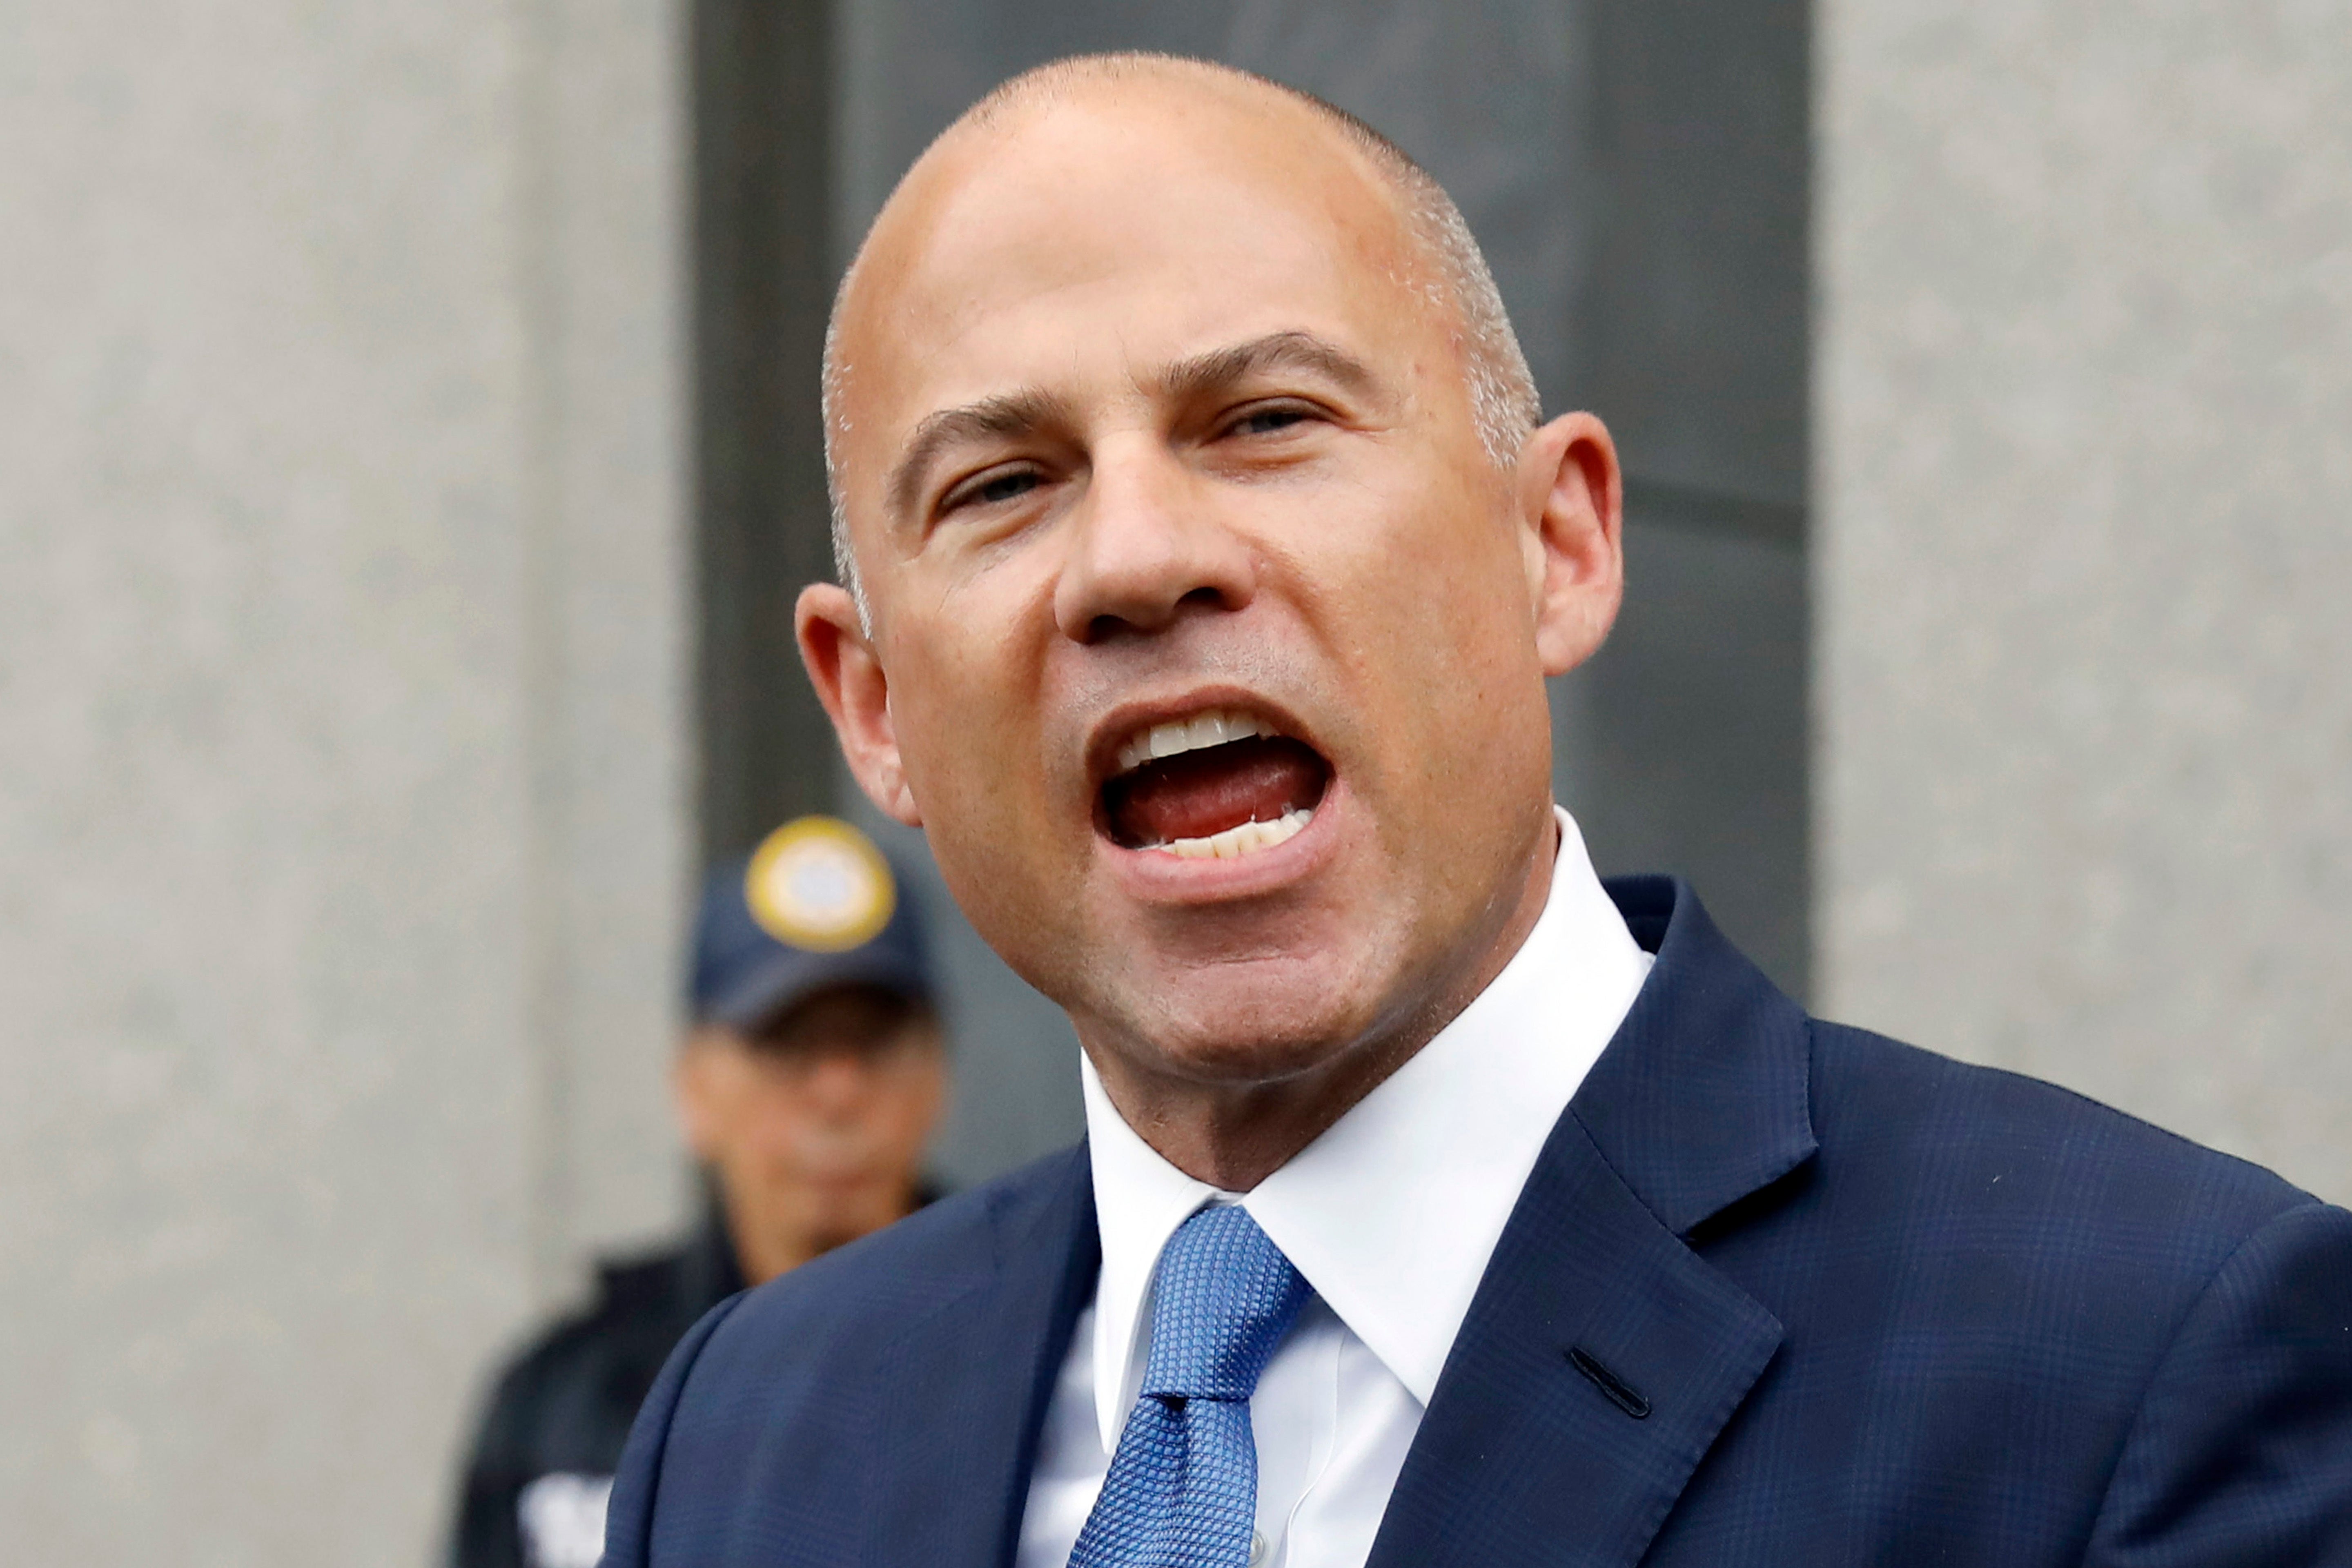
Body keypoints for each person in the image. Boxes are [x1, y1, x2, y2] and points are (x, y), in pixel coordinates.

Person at [604, 53, 2352, 1568]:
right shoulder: (747, 1444)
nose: (1136, 559)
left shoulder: (2139, 1366)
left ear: (1560, 546)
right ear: (876, 709)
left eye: (1267, 419)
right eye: (1003, 485)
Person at [448, 815, 946, 1568]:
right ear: (695, 1091)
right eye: (790, 1045)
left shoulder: (1044, 1356)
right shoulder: (568, 1403)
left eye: (872, 1044)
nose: (839, 1094)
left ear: (936, 1079)